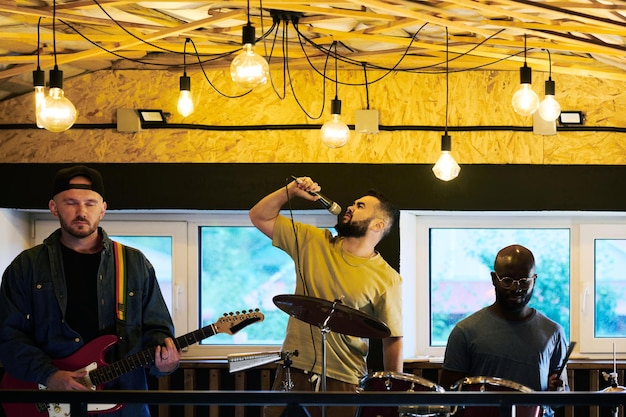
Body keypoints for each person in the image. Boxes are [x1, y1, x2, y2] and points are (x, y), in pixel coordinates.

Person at [0, 165, 180, 417]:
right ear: (54, 207)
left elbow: (157, 329)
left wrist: (165, 360)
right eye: (71, 202)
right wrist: (49, 375)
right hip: (47, 401)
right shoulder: (26, 266)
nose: (81, 211)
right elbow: (8, 336)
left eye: (90, 203)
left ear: (103, 208)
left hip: (124, 404)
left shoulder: (134, 263)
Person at [249, 175, 403, 417]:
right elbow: (259, 216)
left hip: (345, 378)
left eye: (361, 206)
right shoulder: (313, 241)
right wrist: (291, 191)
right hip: (293, 369)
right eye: (353, 203)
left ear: (377, 225)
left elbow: (392, 339)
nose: (350, 207)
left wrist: (394, 392)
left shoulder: (387, 277)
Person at [439, 244, 569, 417]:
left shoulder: (553, 332)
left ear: (534, 280)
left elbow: (561, 398)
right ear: (494, 279)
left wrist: (558, 390)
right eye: (507, 280)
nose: (516, 288)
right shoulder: (465, 331)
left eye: (524, 281)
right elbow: (449, 396)